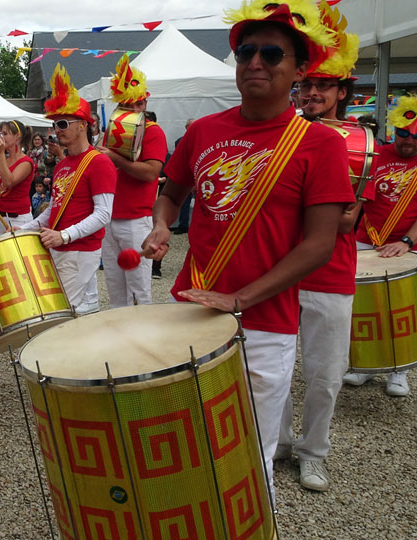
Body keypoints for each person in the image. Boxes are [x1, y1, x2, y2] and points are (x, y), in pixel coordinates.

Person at [141, 0, 351, 501]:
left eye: (271, 54)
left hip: (265, 319)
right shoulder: (203, 131)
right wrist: (161, 225)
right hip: (192, 306)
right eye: (245, 52)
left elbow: (321, 244)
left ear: (300, 70)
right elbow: (172, 191)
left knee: (248, 447)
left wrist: (241, 298)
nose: (255, 62)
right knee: (192, 432)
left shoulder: (321, 145)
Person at [274, 0, 362, 493]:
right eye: (306, 84)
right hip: (279, 270)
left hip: (331, 273)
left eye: (322, 86)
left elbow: (355, 219)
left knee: (326, 376)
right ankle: (281, 441)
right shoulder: (280, 135)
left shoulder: (361, 143)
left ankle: (314, 452)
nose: (310, 93)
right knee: (274, 367)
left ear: (341, 90)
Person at [344, 95, 417, 396]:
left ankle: (399, 370)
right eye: (403, 133)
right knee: (359, 307)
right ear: (395, 129)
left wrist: (407, 242)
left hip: (411, 244)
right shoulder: (375, 155)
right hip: (367, 239)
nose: (409, 141)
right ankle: (362, 365)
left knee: (403, 308)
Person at [19, 64, 117, 310]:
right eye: (54, 125)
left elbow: (104, 213)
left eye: (62, 123)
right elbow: (54, 209)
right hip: (60, 246)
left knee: (59, 312)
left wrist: (64, 235)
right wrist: (24, 229)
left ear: (83, 124)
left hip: (79, 250)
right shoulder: (63, 165)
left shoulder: (99, 162)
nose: (56, 130)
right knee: (65, 312)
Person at [97, 54, 167, 308]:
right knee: (116, 291)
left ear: (144, 103)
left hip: (136, 220)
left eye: (138, 104)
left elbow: (150, 173)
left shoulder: (153, 131)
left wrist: (114, 157)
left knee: (138, 292)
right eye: (127, 106)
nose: (134, 110)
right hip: (110, 218)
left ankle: (140, 341)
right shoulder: (111, 131)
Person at [0, 121, 35, 236]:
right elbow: (4, 188)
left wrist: (0, 154)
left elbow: (9, 182)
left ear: (17, 136)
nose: (1, 137)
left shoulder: (26, 162)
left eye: (5, 134)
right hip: (0, 216)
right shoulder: (5, 160)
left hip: (18, 218)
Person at [172, 118, 196, 235]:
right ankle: (183, 225)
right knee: (184, 202)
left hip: (200, 176)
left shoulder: (203, 140)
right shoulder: (179, 142)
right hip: (187, 176)